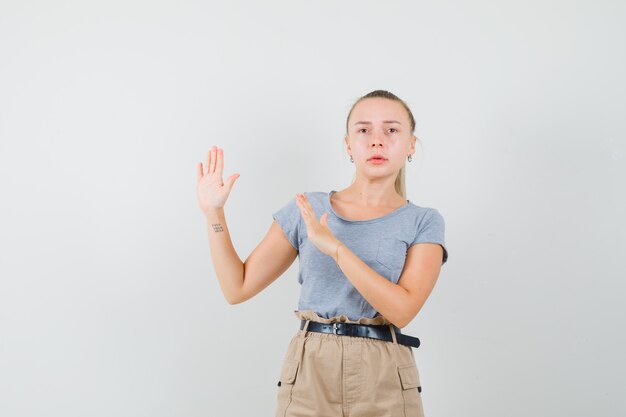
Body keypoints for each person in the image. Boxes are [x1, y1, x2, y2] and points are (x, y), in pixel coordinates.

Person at [196, 89, 448, 417]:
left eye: (391, 130)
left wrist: (337, 249)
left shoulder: (423, 221)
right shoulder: (308, 209)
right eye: (363, 130)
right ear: (348, 145)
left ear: (411, 144)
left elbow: (402, 310)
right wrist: (214, 214)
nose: (377, 141)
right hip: (310, 366)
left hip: (384, 370)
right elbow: (237, 288)